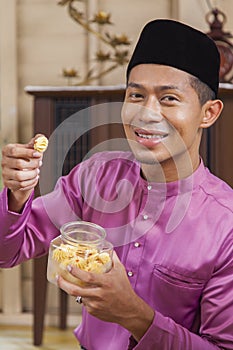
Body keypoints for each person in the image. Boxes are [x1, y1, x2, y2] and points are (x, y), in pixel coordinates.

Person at [0, 19, 233, 350]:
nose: (147, 114)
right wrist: (17, 196)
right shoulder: (95, 176)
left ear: (208, 113)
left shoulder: (226, 226)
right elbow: (6, 251)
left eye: (168, 99)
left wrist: (136, 316)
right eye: (136, 95)